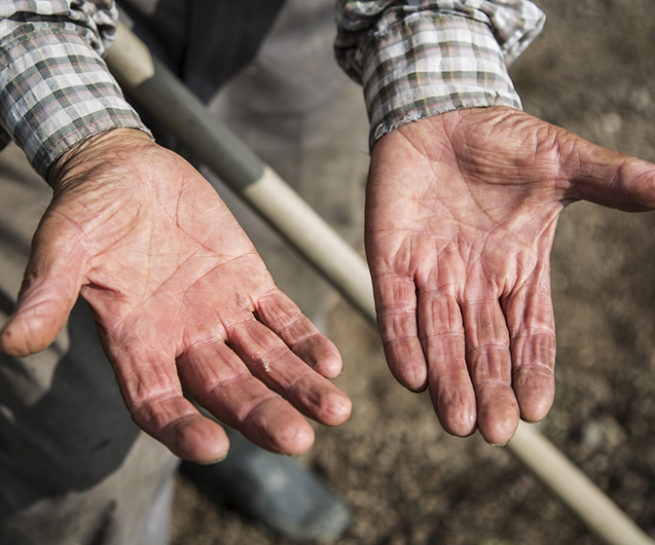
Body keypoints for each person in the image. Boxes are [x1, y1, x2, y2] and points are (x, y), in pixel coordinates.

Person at [2, 1, 655, 544]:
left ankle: (246, 440)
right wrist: (88, 143)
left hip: (293, 24)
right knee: (76, 446)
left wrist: (435, 61)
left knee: (274, 278)